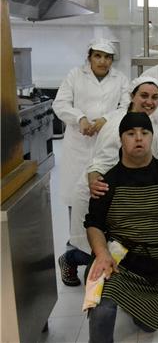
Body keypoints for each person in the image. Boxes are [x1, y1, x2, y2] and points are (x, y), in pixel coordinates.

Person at [84, 112, 158, 339]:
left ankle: (137, 304)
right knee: (102, 309)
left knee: (148, 327)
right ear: (121, 139)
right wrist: (102, 254)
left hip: (155, 268)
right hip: (118, 263)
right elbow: (93, 224)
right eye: (131, 134)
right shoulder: (107, 182)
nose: (138, 138)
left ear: (152, 137)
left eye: (144, 133)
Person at [58, 76, 158, 287]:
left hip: (123, 195)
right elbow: (99, 163)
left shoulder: (148, 123)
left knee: (119, 250)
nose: (149, 101)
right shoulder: (117, 122)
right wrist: (95, 185)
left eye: (155, 97)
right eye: (144, 95)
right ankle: (69, 259)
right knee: (99, 251)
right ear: (132, 96)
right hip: (101, 191)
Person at [52, 39, 129, 219]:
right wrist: (80, 118)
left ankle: (102, 240)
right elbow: (60, 103)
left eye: (108, 57)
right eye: (98, 56)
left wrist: (107, 119)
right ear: (89, 58)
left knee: (105, 192)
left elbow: (127, 105)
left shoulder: (121, 79)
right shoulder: (75, 75)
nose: (103, 61)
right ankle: (75, 241)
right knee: (76, 193)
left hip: (107, 141)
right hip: (79, 143)